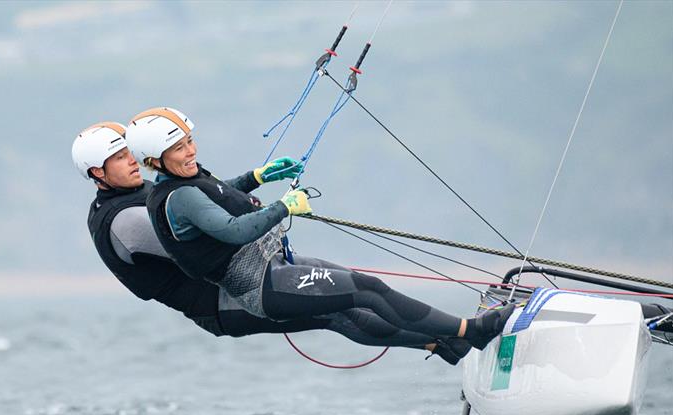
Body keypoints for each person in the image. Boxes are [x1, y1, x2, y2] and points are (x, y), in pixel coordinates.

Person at [130, 107, 515, 363]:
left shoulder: (181, 183)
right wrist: (284, 206)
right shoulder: (178, 196)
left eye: (189, 142)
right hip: (260, 283)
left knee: (349, 309)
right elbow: (233, 231)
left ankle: (448, 343)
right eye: (179, 148)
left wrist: (257, 177)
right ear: (153, 160)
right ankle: (472, 331)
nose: (190, 151)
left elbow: (217, 195)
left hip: (271, 268)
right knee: (367, 289)